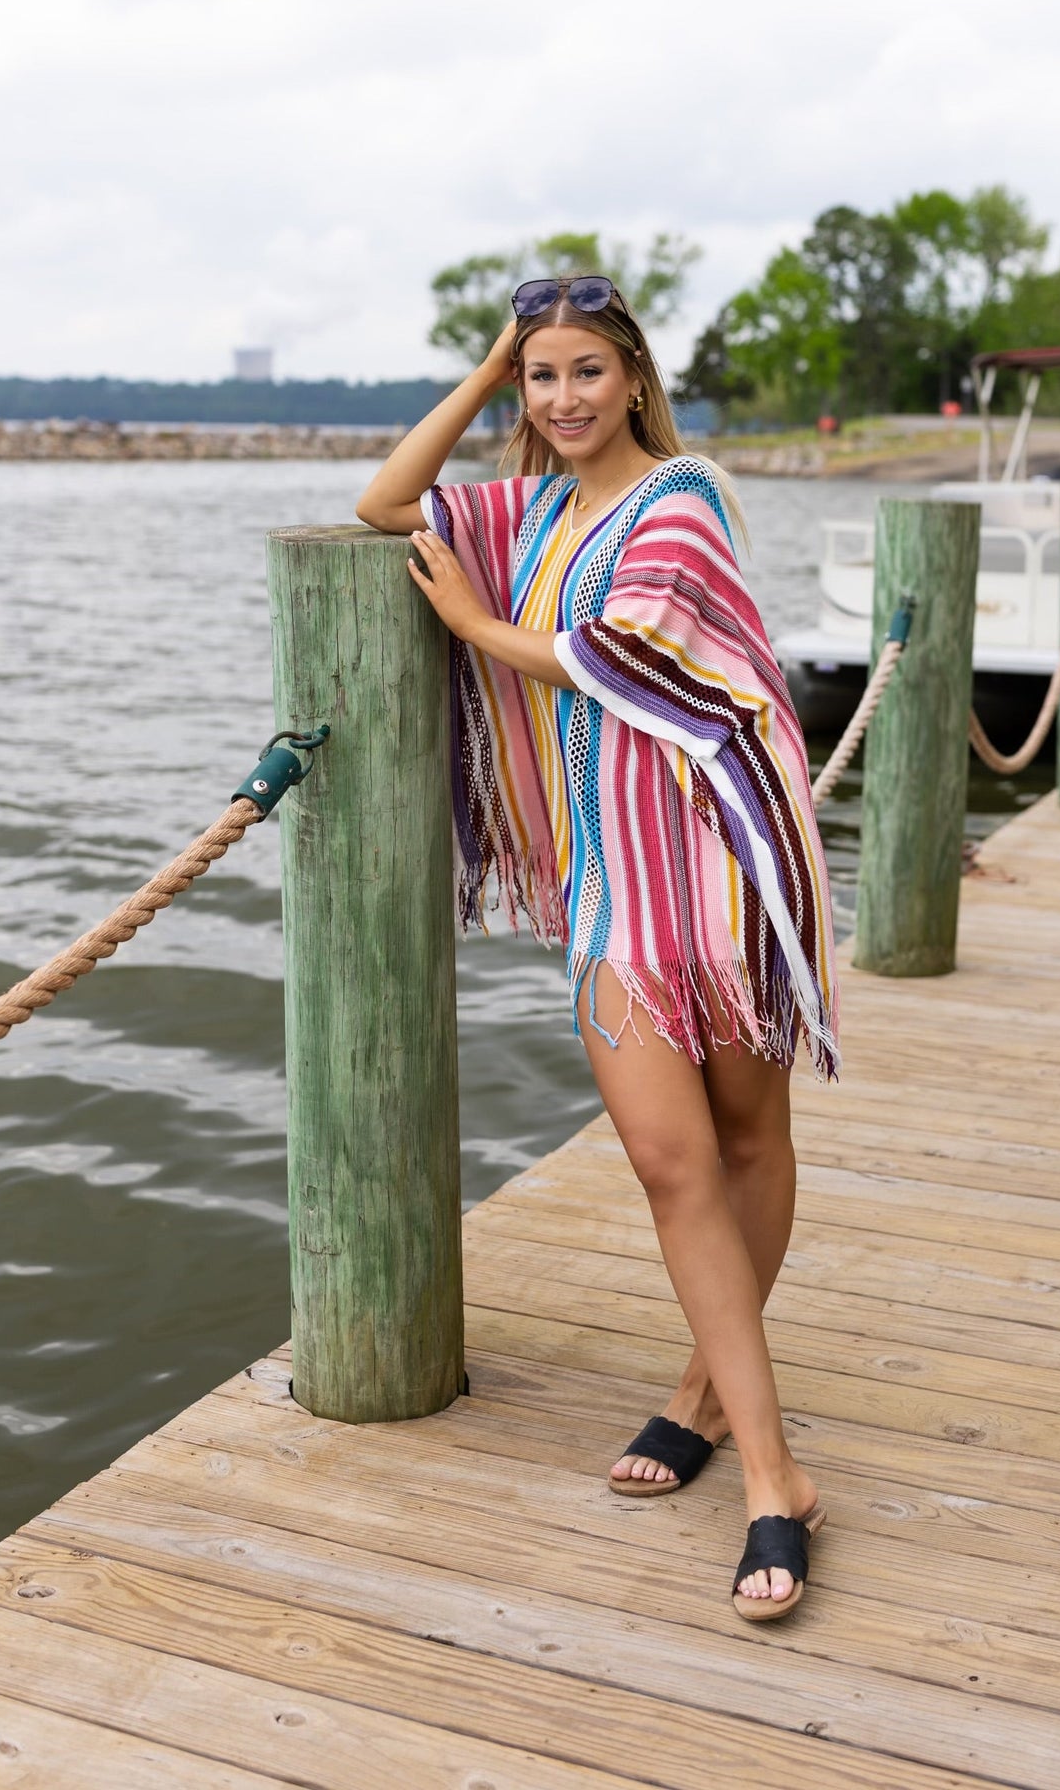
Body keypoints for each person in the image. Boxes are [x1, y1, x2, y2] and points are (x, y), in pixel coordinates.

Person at [356, 272, 840, 1621]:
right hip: (609, 883)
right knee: (667, 1163)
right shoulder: (535, 507)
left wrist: (470, 628)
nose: (562, 400)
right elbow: (384, 504)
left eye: (585, 372)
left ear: (633, 376)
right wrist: (485, 361)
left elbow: (622, 660)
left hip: (721, 856)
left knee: (746, 1143)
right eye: (539, 377)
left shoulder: (678, 495)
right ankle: (774, 1473)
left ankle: (707, 1404)